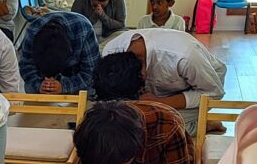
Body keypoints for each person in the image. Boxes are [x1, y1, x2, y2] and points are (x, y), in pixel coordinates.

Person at [96, 28, 227, 135]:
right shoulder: (111, 52)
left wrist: (160, 103)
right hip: (153, 93)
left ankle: (203, 124)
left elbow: (214, 93)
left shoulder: (185, 56)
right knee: (119, 124)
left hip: (201, 86)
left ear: (143, 75)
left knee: (162, 128)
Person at [18, 11, 100, 95]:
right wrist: (39, 85)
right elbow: (25, 66)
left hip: (74, 72)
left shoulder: (84, 30)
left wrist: (64, 86)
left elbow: (90, 73)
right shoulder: (32, 33)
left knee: (89, 90)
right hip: (42, 75)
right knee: (30, 87)